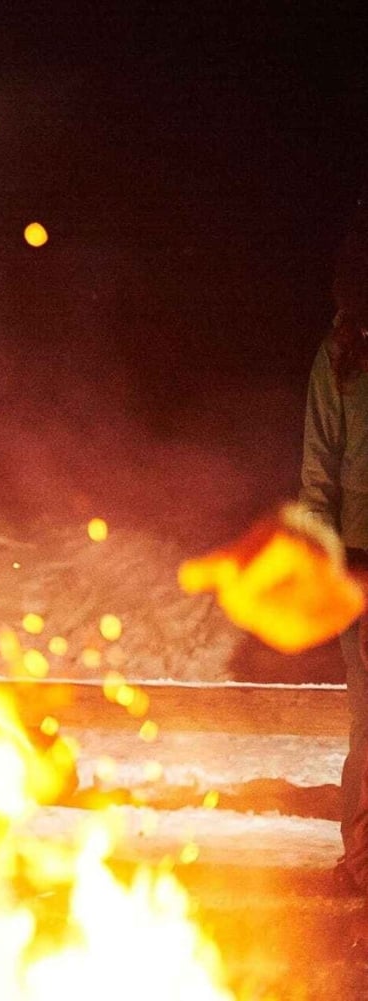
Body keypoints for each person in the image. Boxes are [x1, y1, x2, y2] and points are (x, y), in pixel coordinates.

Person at [300, 191, 368, 886]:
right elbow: (319, 471)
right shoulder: (343, 354)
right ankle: (363, 862)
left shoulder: (341, 351)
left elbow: (320, 471)